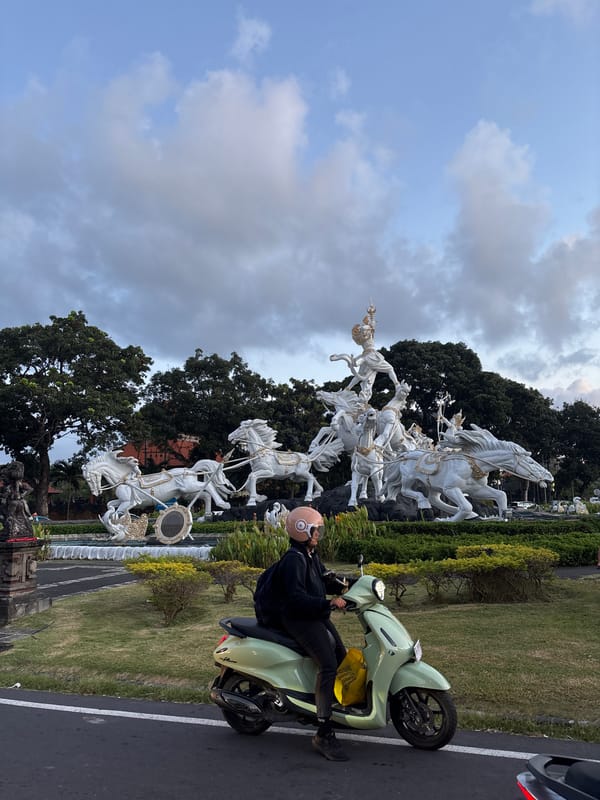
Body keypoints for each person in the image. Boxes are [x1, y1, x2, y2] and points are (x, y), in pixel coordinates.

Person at [278, 506, 349, 761]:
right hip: (299, 620)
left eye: (319, 529)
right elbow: (296, 599)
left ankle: (332, 704)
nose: (318, 533)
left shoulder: (310, 555)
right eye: (315, 529)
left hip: (314, 615)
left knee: (341, 655)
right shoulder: (292, 561)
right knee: (328, 664)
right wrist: (328, 603)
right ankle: (323, 730)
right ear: (301, 530)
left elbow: (324, 578)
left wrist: (348, 585)